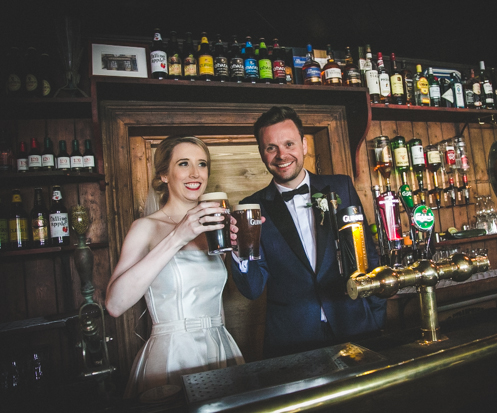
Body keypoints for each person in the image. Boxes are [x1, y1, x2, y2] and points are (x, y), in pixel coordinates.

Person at [230, 106, 386, 358]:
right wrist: (239, 253)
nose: (282, 155)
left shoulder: (341, 186)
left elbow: (369, 254)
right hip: (291, 340)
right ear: (262, 154)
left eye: (289, 144)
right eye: (271, 148)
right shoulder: (252, 208)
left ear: (303, 145)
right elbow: (252, 289)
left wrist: (375, 314)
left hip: (356, 325)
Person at [105, 135, 243, 399]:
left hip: (220, 346)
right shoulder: (145, 227)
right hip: (172, 355)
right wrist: (178, 236)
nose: (195, 173)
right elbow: (114, 304)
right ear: (164, 175)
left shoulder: (215, 230)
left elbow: (216, 304)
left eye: (202, 164)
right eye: (183, 164)